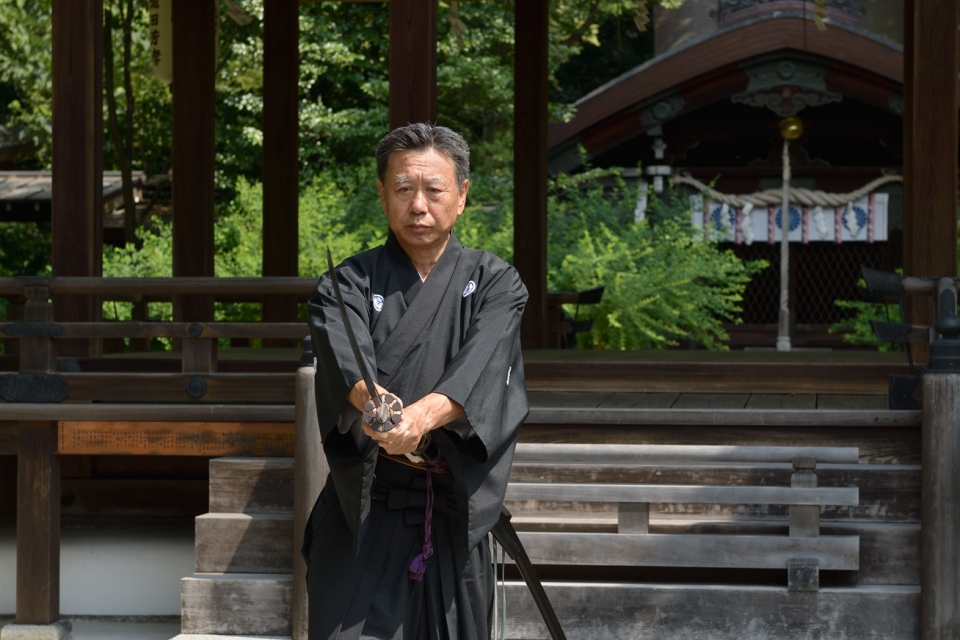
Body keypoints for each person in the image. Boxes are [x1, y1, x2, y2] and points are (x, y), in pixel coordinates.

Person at [303, 123, 529, 640]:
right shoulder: (345, 284)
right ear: (382, 195)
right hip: (364, 509)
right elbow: (347, 366)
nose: (419, 206)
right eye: (404, 189)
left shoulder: (498, 283)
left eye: (435, 190)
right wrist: (379, 408)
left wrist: (420, 419)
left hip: (452, 511)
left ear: (463, 195)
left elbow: (482, 368)